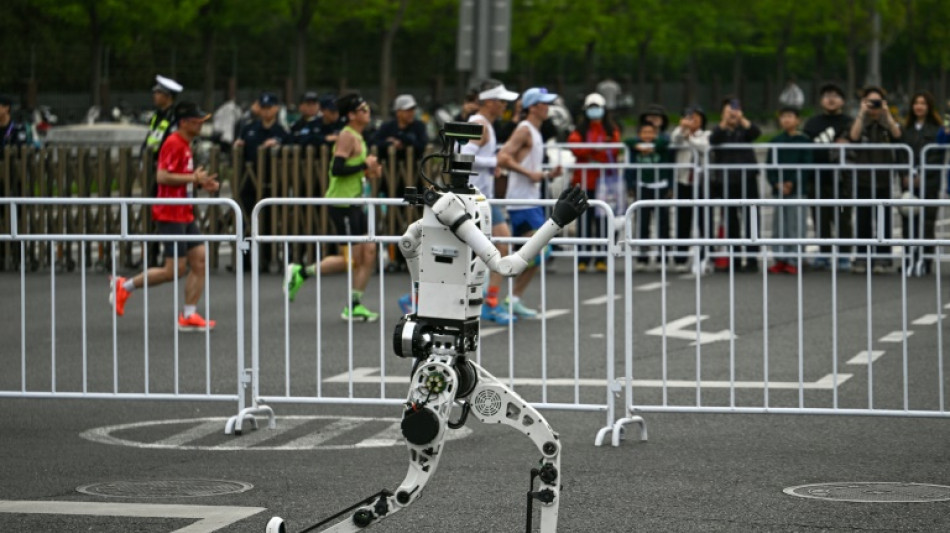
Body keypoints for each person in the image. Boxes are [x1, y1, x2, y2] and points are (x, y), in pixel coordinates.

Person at [110, 102, 221, 331]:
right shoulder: (173, 143)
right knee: (174, 270)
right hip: (170, 213)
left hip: (184, 211)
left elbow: (179, 179)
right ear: (184, 122)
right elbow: (162, 177)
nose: (201, 124)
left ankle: (189, 315)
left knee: (199, 260)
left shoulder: (186, 144)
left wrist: (199, 184)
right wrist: (193, 179)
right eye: (197, 120)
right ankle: (125, 285)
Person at [284, 93, 382, 321]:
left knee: (369, 252)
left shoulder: (360, 136)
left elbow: (357, 170)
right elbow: (338, 168)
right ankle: (301, 272)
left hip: (356, 201)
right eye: (363, 109)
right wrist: (362, 166)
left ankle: (354, 305)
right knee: (352, 259)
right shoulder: (347, 136)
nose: (367, 113)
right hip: (342, 203)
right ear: (351, 115)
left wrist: (371, 170)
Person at [496, 87, 563, 318]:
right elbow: (503, 157)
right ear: (533, 106)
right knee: (539, 250)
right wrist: (528, 173)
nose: (548, 107)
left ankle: (510, 298)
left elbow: (529, 168)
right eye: (544, 103)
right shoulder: (524, 129)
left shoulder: (536, 131)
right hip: (520, 202)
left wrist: (546, 175)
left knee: (535, 252)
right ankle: (496, 294)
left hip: (529, 200)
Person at [848, 85, 902, 274]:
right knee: (863, 219)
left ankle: (883, 257)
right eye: (870, 102)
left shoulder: (887, 124)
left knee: (884, 219)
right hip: (863, 178)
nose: (874, 106)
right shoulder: (861, 122)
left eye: (877, 102)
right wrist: (862, 113)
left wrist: (886, 114)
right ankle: (862, 257)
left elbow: (898, 136)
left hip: (884, 178)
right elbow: (852, 137)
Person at [235, 92, 290, 271]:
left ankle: (267, 259)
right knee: (245, 222)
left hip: (272, 184)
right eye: (263, 108)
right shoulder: (249, 128)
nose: (266, 112)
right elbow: (238, 148)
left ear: (276, 109)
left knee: (270, 223)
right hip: (249, 183)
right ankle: (244, 261)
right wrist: (237, 147)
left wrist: (277, 144)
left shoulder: (281, 132)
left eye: (270, 108)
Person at [802, 82, 854, 271]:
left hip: (842, 179)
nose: (831, 99)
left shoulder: (849, 122)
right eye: (826, 95)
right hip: (817, 178)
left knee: (842, 218)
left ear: (843, 100)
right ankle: (823, 254)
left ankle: (844, 256)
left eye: (835, 95)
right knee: (820, 218)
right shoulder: (812, 123)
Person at [567, 92, 621, 272]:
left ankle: (602, 259)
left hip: (604, 183)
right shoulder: (580, 130)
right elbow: (575, 147)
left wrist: (590, 150)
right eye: (591, 108)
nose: (594, 111)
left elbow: (613, 149)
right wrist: (596, 149)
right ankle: (582, 258)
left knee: (603, 222)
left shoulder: (610, 129)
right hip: (584, 182)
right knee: (583, 222)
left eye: (597, 108)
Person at [709, 96, 762, 272]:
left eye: (735, 109)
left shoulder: (744, 130)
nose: (732, 113)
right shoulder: (720, 131)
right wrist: (725, 122)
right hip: (726, 180)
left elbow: (756, 133)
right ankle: (735, 259)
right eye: (728, 110)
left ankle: (753, 259)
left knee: (751, 219)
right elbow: (713, 140)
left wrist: (741, 119)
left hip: (747, 178)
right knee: (731, 220)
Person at [900, 91, 942, 275]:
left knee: (927, 222)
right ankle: (909, 258)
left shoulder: (936, 130)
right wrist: (904, 173)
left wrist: (922, 175)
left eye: (923, 103)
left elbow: (937, 155)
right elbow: (900, 153)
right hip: (908, 183)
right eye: (916, 103)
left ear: (929, 107)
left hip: (929, 182)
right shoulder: (906, 130)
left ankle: (925, 261)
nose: (919, 106)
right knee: (908, 221)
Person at [766, 107, 812, 275]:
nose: (786, 120)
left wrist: (791, 182)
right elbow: (770, 166)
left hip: (797, 190)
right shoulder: (775, 140)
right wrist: (776, 183)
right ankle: (780, 258)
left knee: (796, 226)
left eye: (790, 116)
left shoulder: (804, 141)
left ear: (797, 120)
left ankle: (795, 259)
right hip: (779, 192)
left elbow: (806, 165)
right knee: (779, 226)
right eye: (783, 116)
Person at [669, 106, 711, 273]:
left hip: (702, 183)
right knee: (682, 220)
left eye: (696, 118)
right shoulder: (679, 133)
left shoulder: (705, 135)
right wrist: (683, 128)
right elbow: (675, 139)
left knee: (703, 221)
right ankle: (680, 257)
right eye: (689, 117)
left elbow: (704, 147)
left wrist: (690, 137)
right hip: (683, 181)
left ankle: (705, 257)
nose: (692, 120)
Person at [625, 122, 671, 270]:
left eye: (651, 133)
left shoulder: (661, 145)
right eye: (644, 133)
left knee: (663, 224)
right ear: (639, 135)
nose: (647, 136)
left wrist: (653, 147)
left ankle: (662, 257)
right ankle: (642, 258)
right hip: (642, 188)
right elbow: (627, 141)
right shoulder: (636, 147)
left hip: (660, 188)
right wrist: (638, 146)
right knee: (642, 224)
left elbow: (666, 142)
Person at [374, 94, 428, 163]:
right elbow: (374, 142)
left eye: (412, 110)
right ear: (398, 112)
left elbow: (423, 145)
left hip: (414, 169)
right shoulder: (388, 127)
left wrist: (403, 141)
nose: (411, 113)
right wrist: (390, 143)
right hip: (389, 169)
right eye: (407, 110)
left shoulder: (419, 126)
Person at [143, 75, 182, 157]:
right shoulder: (157, 115)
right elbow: (150, 137)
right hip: (151, 161)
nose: (155, 95)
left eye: (158, 92)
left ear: (169, 96)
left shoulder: (174, 116)